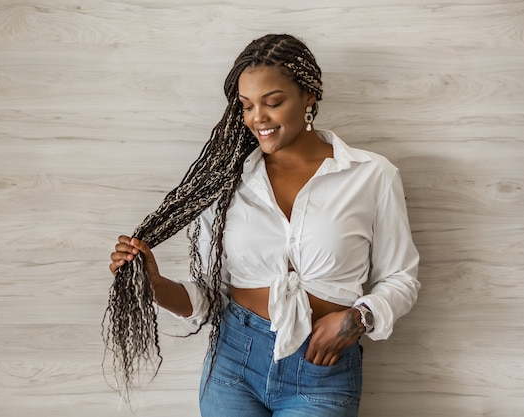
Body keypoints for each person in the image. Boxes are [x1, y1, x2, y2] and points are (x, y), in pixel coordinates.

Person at [105, 34, 420, 417]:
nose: (258, 118)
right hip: (234, 362)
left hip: (322, 369)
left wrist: (360, 317)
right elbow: (208, 299)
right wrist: (154, 286)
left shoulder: (371, 175)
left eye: (273, 102)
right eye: (247, 106)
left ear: (309, 96)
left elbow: (401, 277)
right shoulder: (223, 184)